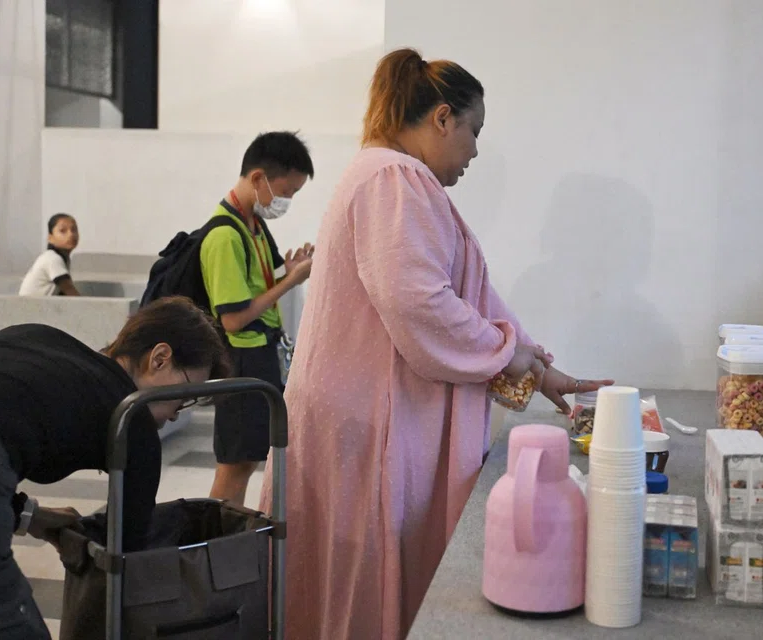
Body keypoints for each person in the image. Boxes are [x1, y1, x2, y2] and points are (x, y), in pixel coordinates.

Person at [257, 48, 614, 639]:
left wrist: (537, 365)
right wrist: (507, 352)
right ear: (443, 117)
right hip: (366, 421)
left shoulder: (385, 174)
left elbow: (464, 297)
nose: (474, 149)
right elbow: (419, 302)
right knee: (364, 578)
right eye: (474, 130)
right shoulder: (395, 178)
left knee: (343, 581)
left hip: (352, 415)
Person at [0, 296, 229, 639]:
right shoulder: (131, 420)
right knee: (5, 622)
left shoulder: (42, 337)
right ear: (160, 358)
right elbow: (125, 555)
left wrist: (32, 516)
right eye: (185, 394)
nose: (178, 411)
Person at [201, 132, 316, 505]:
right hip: (240, 361)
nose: (286, 202)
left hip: (261, 357)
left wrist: (288, 272)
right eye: (286, 192)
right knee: (234, 465)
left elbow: (256, 291)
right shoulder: (224, 236)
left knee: (248, 461)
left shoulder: (253, 224)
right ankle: (218, 543)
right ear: (257, 178)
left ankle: (228, 539)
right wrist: (290, 283)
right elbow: (233, 319)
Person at [19, 213, 81, 296]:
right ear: (50, 238)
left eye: (74, 229)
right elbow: (70, 291)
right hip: (30, 307)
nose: (71, 234)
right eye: (63, 231)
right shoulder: (52, 259)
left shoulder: (61, 258)